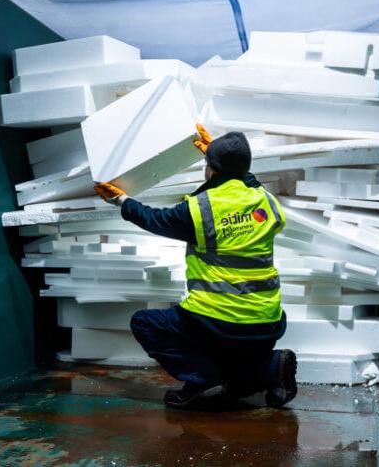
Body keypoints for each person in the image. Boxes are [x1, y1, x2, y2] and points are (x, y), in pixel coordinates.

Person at [93, 125, 297, 410]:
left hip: (217, 321)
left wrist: (122, 200)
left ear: (211, 170)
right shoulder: (267, 203)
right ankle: (270, 367)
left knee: (144, 323)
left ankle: (201, 378)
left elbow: (153, 219)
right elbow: (249, 183)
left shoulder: (200, 211)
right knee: (231, 349)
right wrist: (225, 160)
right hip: (268, 323)